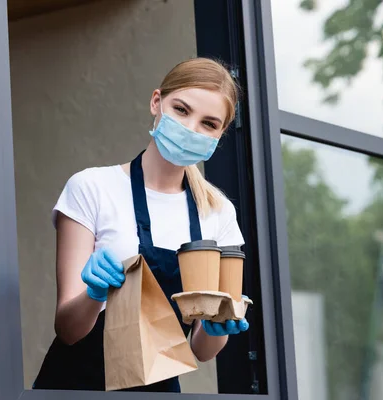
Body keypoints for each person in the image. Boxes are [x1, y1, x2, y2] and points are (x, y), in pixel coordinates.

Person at [26, 57, 249, 392]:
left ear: (219, 136)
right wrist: (94, 293)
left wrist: (218, 327)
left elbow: (201, 351)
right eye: (182, 110)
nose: (191, 129)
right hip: (77, 386)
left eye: (209, 123)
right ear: (156, 102)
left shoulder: (218, 213)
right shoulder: (92, 188)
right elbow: (68, 329)